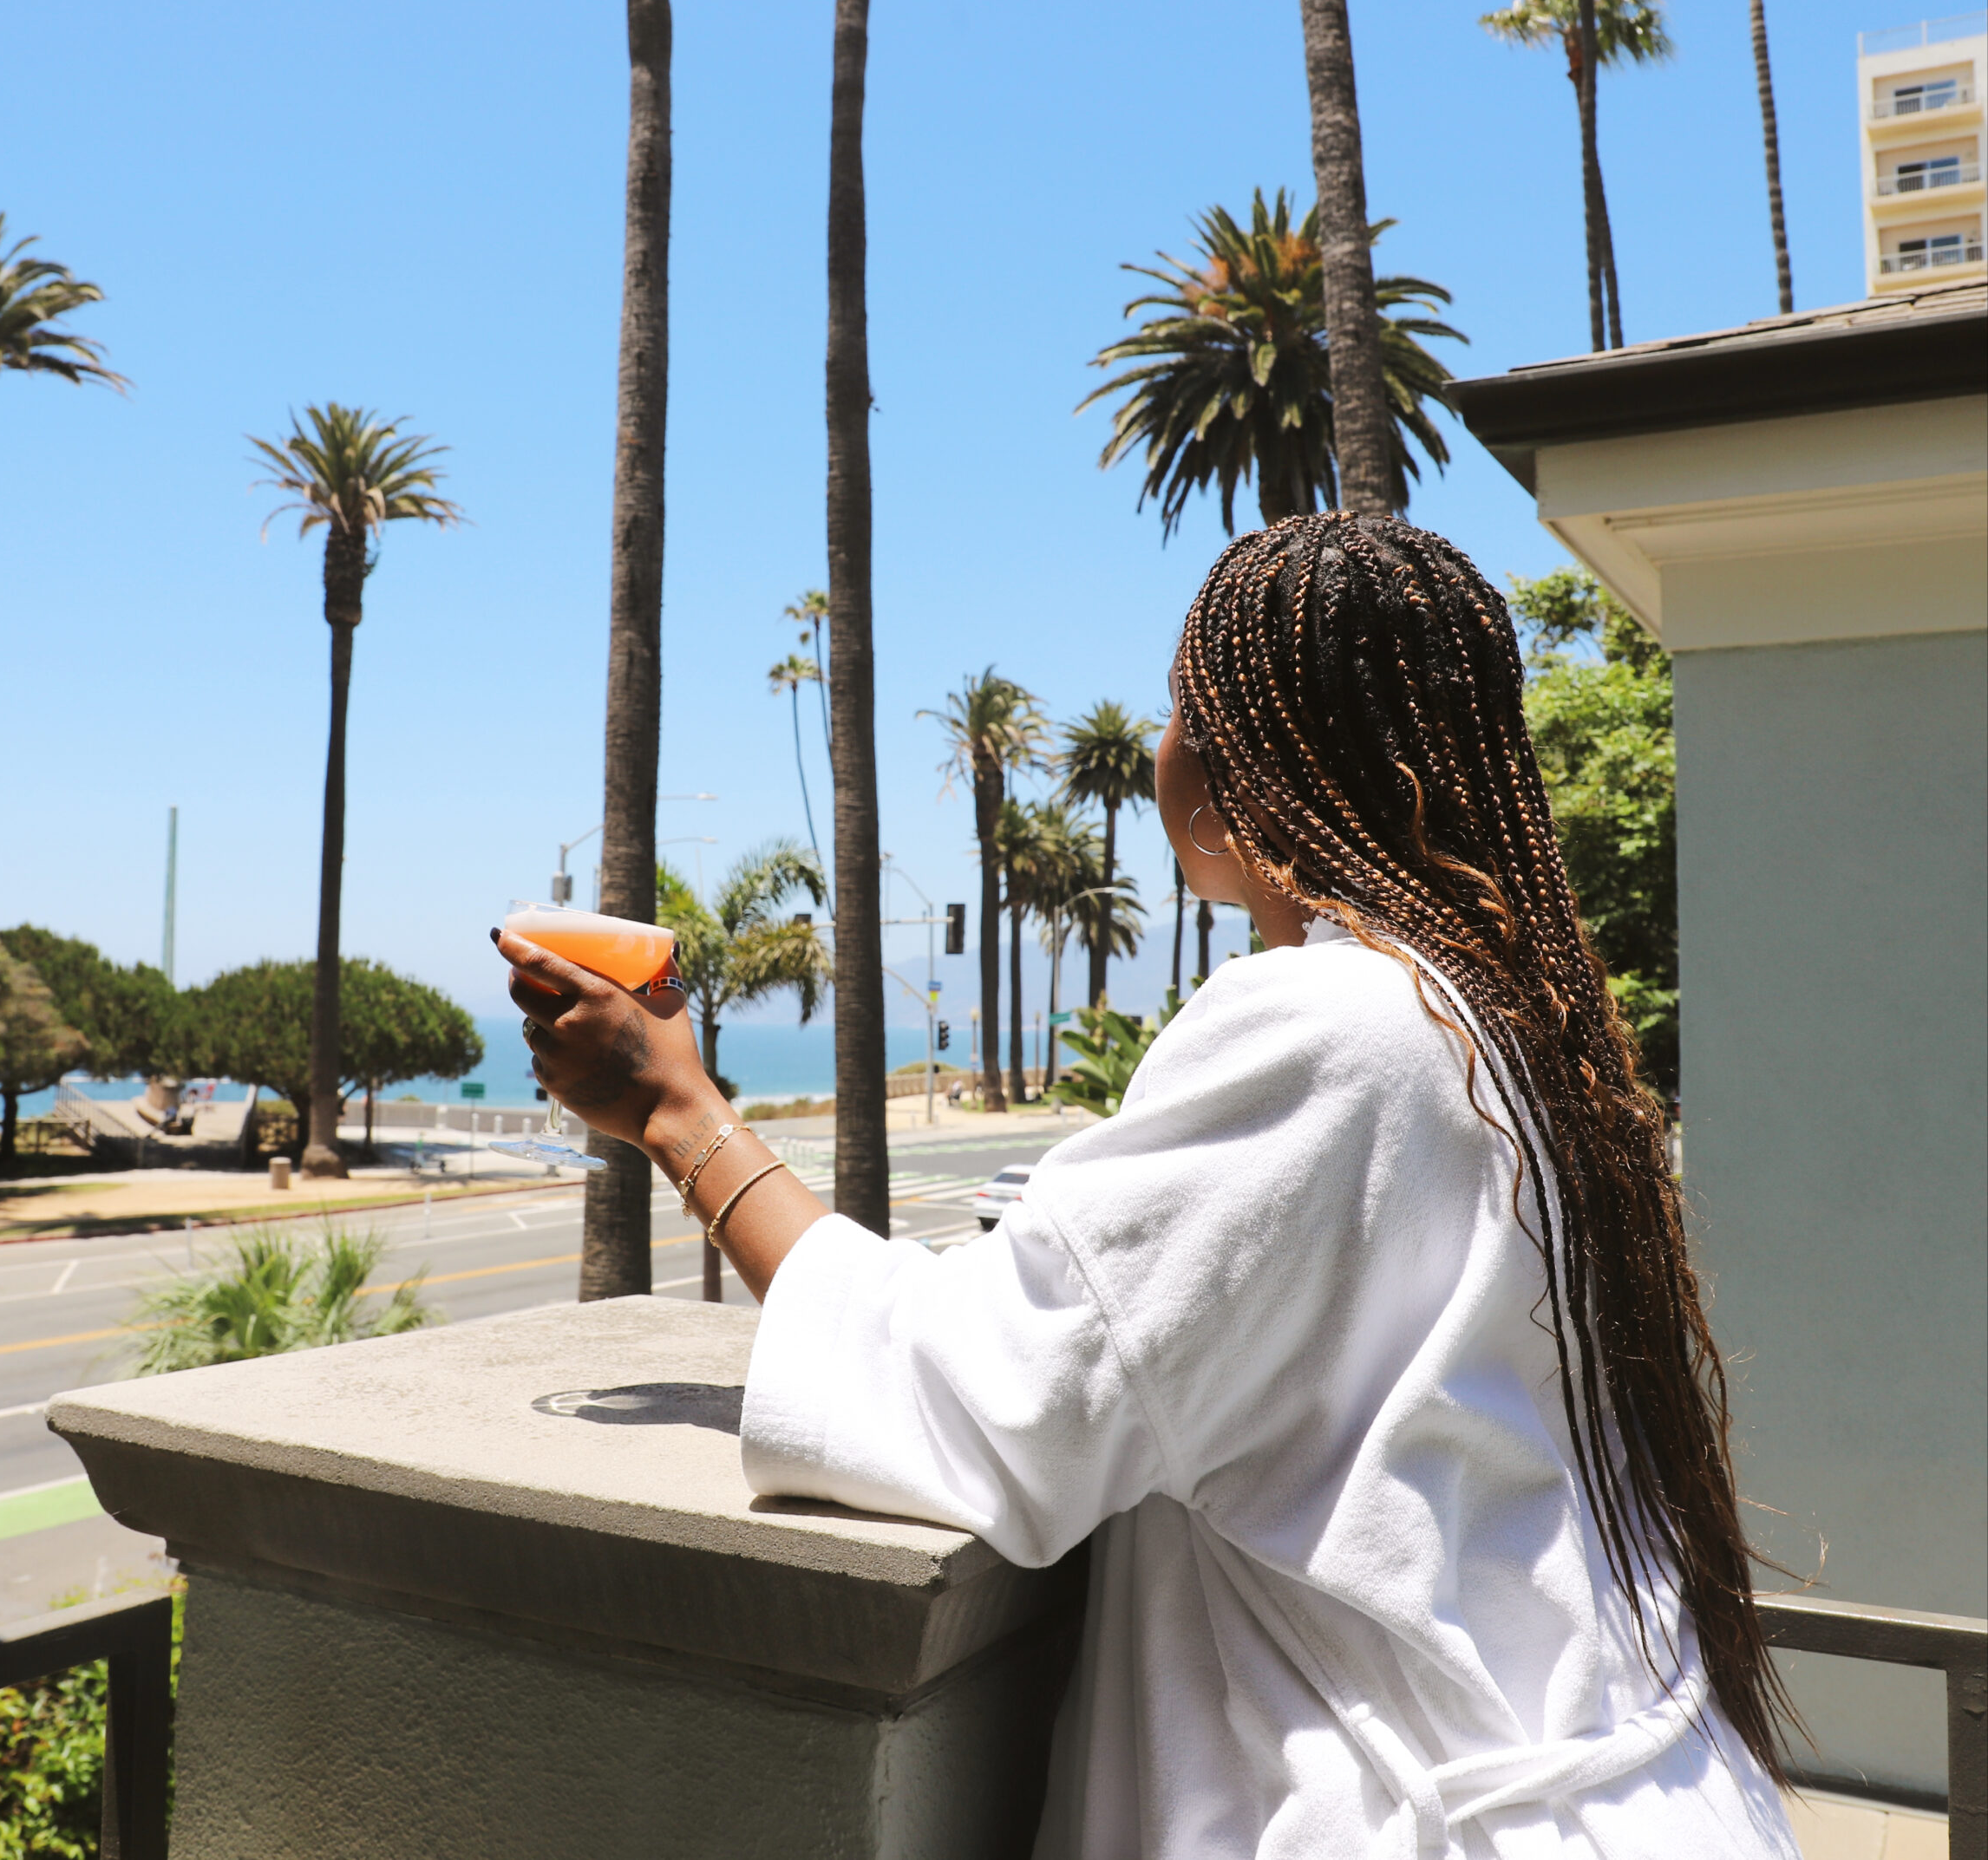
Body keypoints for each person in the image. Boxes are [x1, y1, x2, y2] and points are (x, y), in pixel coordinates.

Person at [494, 514, 1801, 1859]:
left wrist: (676, 1112)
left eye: (1187, 702)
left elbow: (1001, 1394)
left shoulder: (1337, 1028)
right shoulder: (1510, 1028)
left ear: (1249, 764)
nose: (1168, 739)